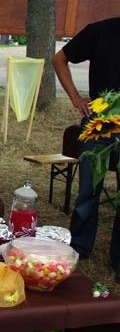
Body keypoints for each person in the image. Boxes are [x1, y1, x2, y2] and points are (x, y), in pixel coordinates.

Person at [52, 17, 120, 281]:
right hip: (100, 121)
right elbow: (59, 59)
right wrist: (76, 98)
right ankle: (79, 247)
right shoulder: (100, 31)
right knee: (88, 190)